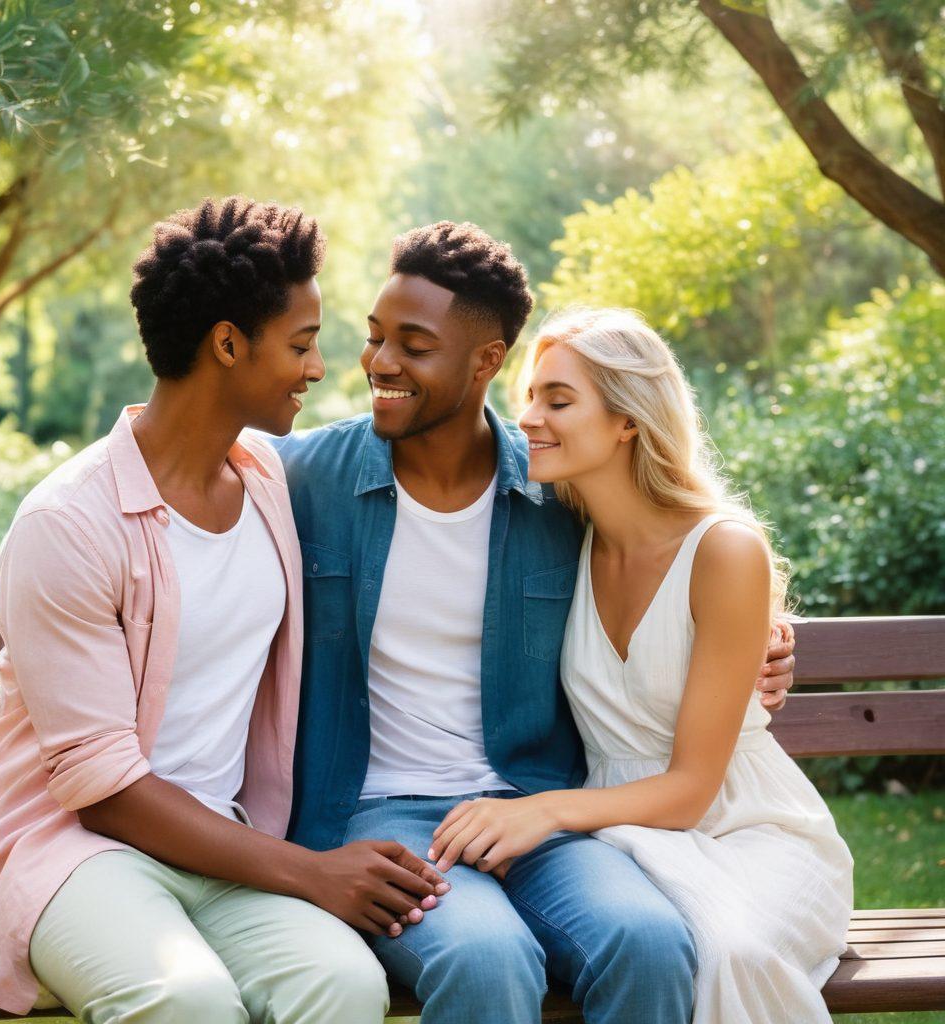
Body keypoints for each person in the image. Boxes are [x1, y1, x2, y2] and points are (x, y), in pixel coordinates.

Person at [0, 196, 447, 1023]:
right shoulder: (69, 524)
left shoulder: (270, 480)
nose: (318, 369)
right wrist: (311, 871)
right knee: (184, 1000)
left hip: (224, 839)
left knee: (343, 984)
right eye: (301, 345)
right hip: (74, 855)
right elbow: (102, 790)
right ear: (228, 344)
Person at [270, 223, 797, 1024]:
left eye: (413, 345)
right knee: (487, 960)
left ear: (486, 362)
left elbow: (675, 553)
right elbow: (190, 468)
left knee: (650, 942)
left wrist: (769, 638)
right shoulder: (307, 476)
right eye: (374, 339)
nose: (379, 363)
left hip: (539, 800)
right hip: (384, 816)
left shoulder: (559, 490)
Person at [429, 307, 853, 1022]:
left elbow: (691, 790)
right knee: (646, 940)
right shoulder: (559, 538)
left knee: (725, 949)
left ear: (628, 420)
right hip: (621, 836)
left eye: (557, 400)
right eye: (530, 396)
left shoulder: (723, 551)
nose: (528, 417)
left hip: (745, 830)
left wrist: (546, 811)